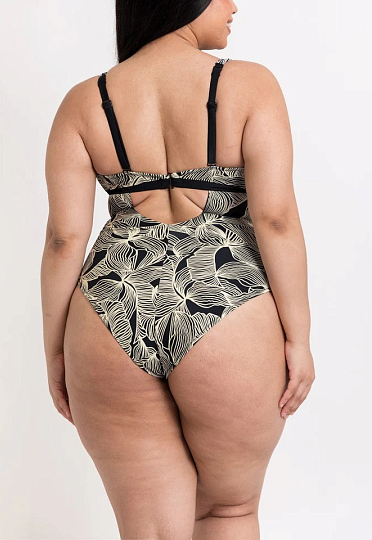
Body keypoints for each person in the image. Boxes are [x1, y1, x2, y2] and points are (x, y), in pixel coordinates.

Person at [41, 0, 315, 538]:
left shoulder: (84, 102)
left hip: (111, 302)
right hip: (225, 297)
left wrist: (55, 350)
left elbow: (63, 240)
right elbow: (276, 219)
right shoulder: (250, 86)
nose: (233, 5)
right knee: (227, 511)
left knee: (150, 530)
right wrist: (299, 337)